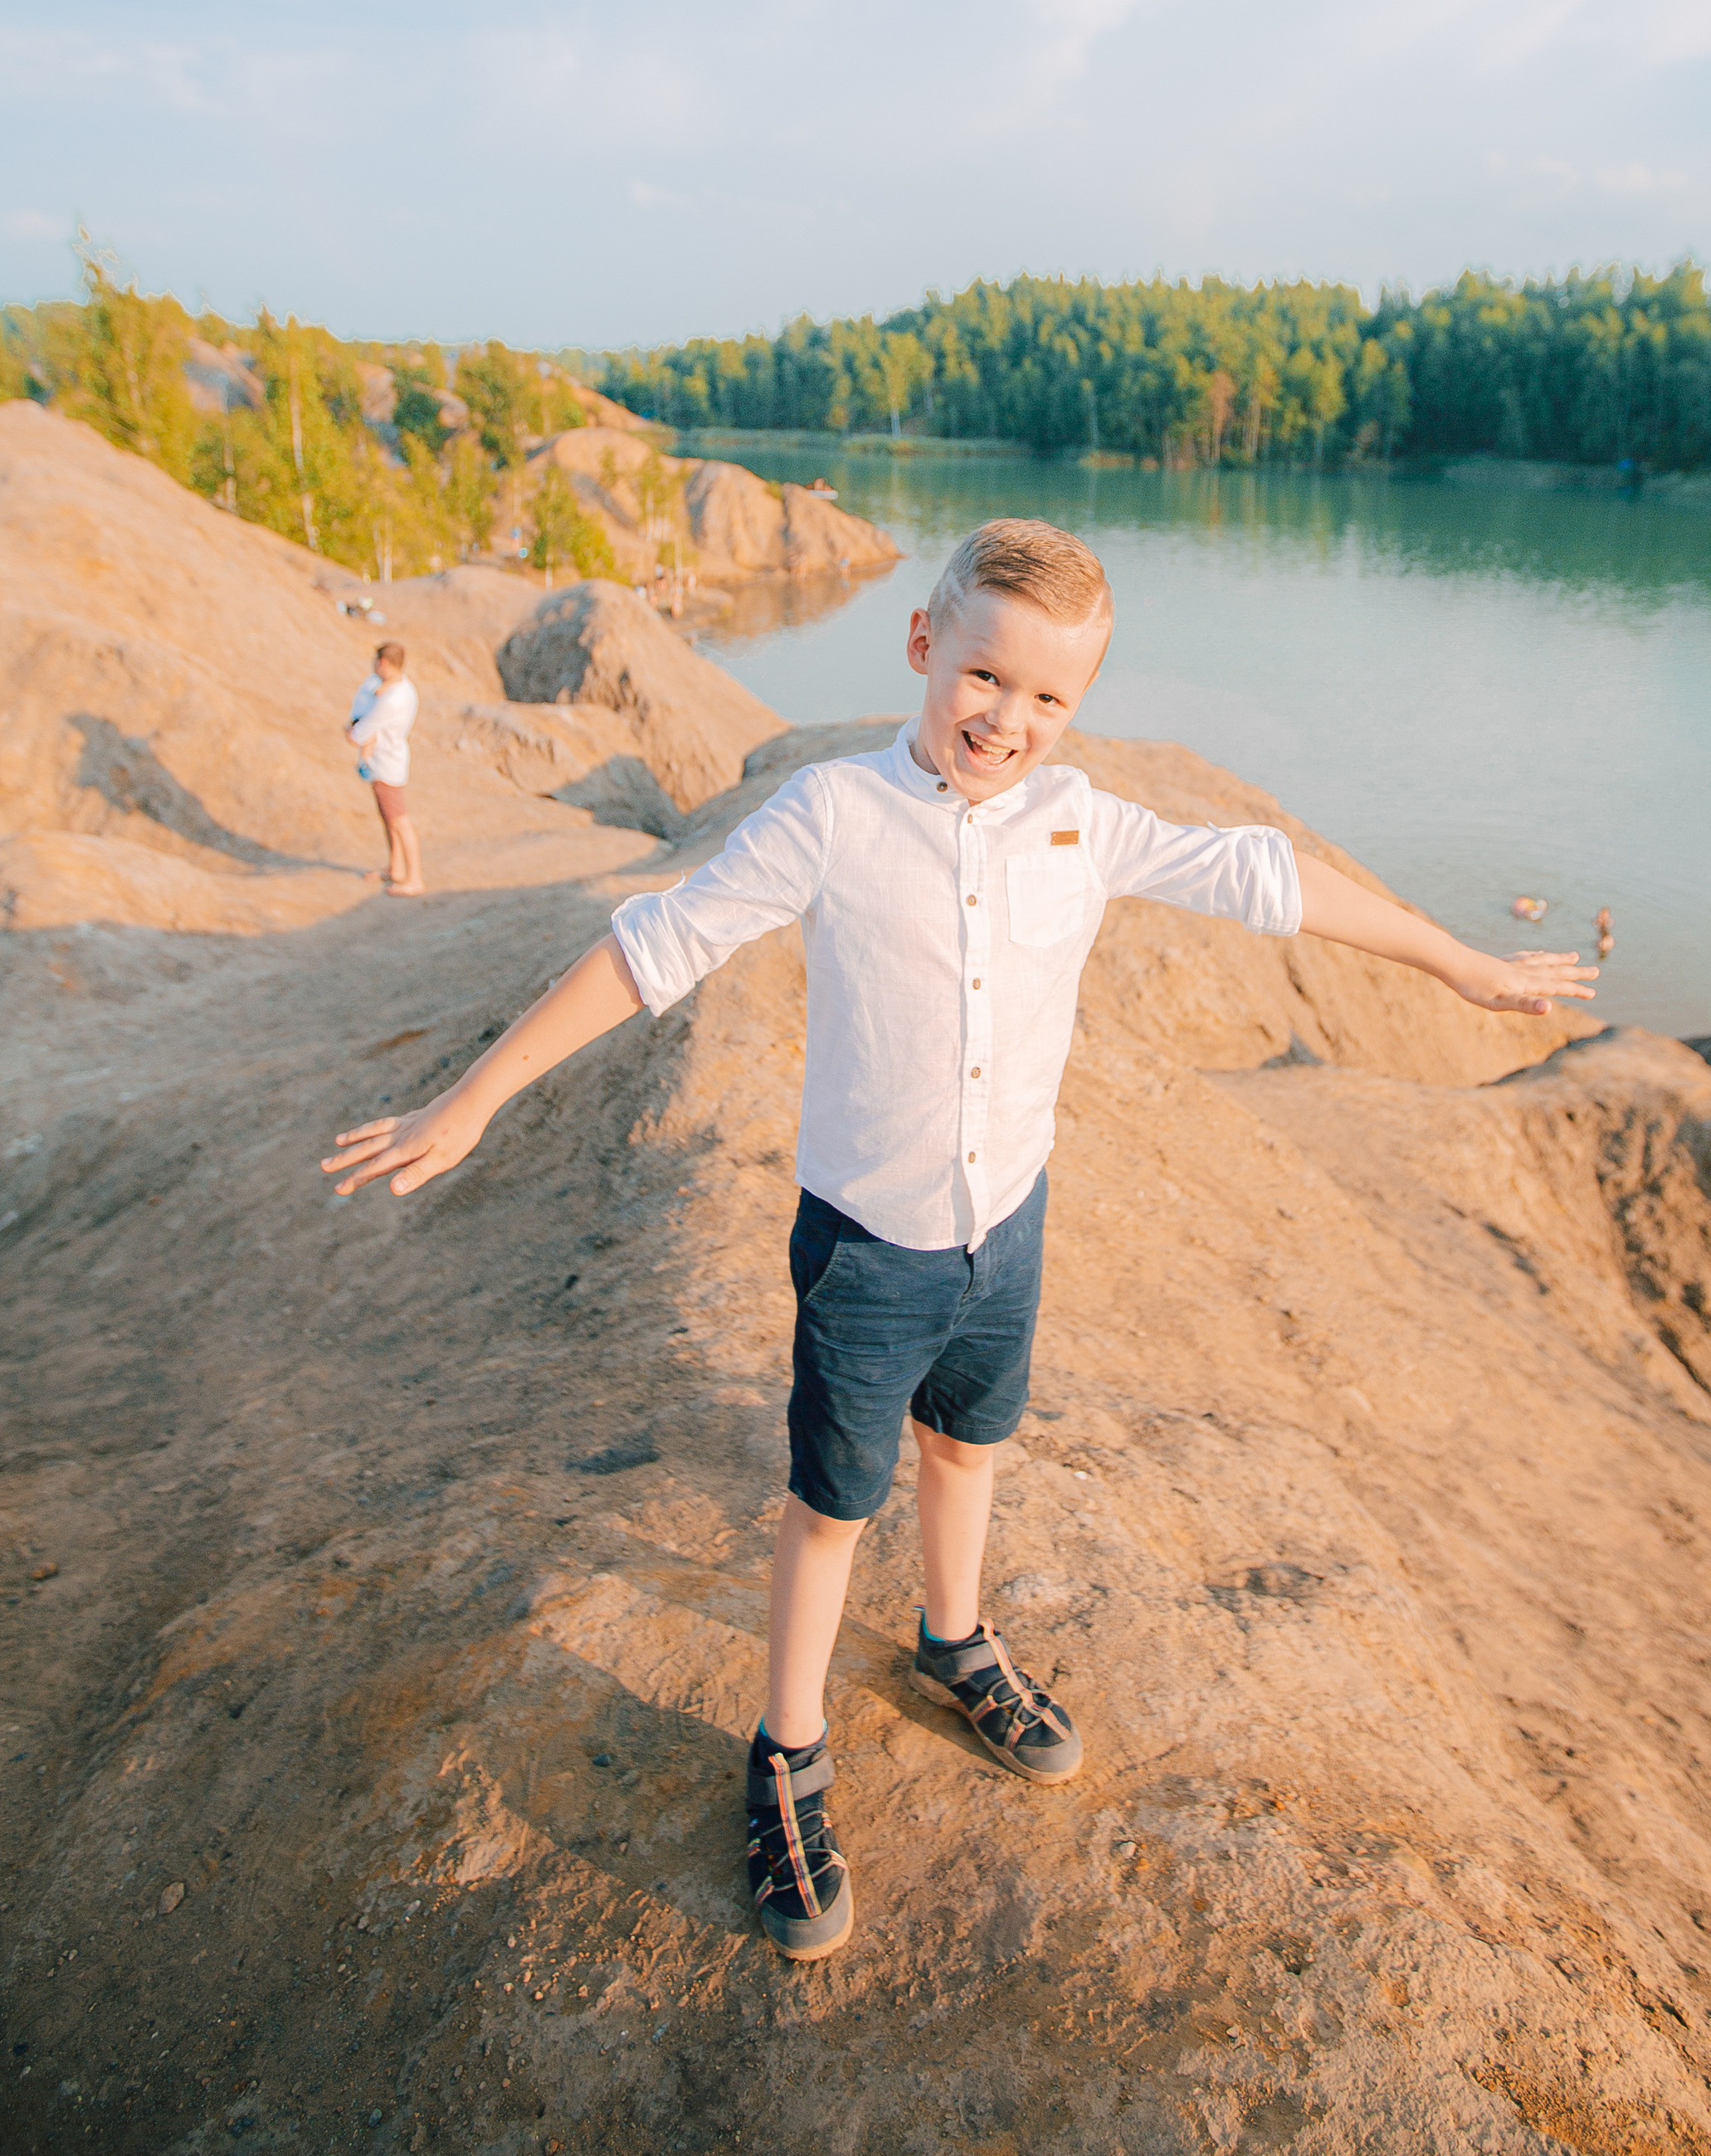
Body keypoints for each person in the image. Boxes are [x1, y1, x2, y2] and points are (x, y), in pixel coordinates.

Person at [321, 520, 1595, 1961]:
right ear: (926, 647)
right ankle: (787, 1750)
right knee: (830, 1502)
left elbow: (1268, 878)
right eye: (986, 675)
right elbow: (656, 944)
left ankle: (954, 1638)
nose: (1010, 718)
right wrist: (478, 1093)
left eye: (1051, 698)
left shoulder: (1082, 823)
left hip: (1009, 1226)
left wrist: (1464, 963)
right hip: (869, 1248)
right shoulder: (832, 816)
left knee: (970, 1448)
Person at [348, 638, 423, 897]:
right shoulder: (400, 688)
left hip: (386, 762)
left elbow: (361, 731)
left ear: (383, 663)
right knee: (390, 819)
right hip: (387, 760)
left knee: (400, 821)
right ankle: (396, 868)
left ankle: (414, 878)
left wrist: (353, 731)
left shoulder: (392, 698)